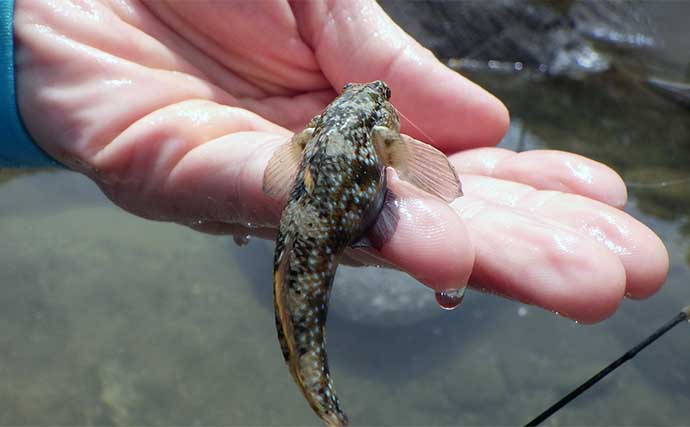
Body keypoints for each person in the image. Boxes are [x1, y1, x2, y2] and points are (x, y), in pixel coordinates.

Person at [4, 0, 668, 323]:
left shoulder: (321, 127)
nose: (373, 97)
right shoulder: (384, 134)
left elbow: (284, 163)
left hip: (314, 208)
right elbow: (406, 165)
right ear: (379, 123)